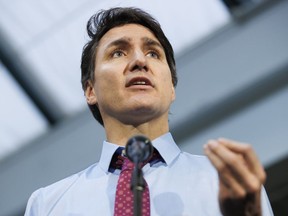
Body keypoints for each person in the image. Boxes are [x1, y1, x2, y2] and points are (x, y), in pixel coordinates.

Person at [24, 7, 274, 216]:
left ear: (172, 88)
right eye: (118, 52)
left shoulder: (229, 184)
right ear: (91, 90)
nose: (139, 61)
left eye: (153, 53)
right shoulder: (48, 204)